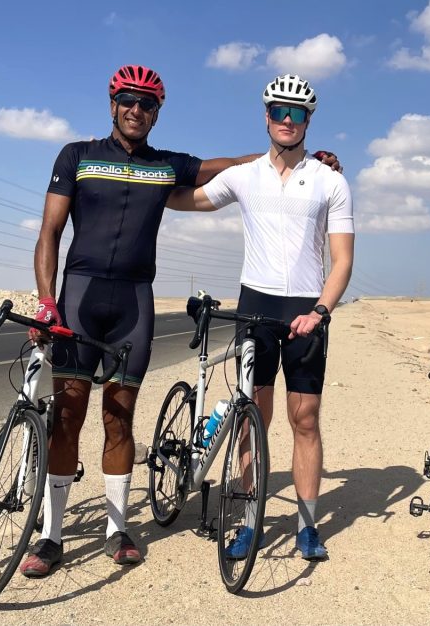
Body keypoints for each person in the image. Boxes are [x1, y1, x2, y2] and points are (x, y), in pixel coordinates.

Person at [20, 65, 340, 577]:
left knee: (119, 418)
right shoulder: (77, 155)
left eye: (147, 104)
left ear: (157, 113)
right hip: (79, 296)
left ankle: (118, 530)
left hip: (133, 304)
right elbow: (49, 232)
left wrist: (302, 158)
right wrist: (45, 301)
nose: (136, 110)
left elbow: (230, 166)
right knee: (67, 415)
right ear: (112, 104)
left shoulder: (166, 165)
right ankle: (50, 536)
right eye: (128, 100)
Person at [167, 74, 354, 562]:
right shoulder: (245, 175)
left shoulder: (331, 181)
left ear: (309, 120)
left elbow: (343, 261)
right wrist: (139, 181)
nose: (287, 120)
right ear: (266, 116)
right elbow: (186, 199)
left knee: (305, 419)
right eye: (279, 111)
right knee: (253, 419)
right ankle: (249, 521)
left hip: (307, 309)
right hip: (256, 305)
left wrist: (320, 311)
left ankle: (307, 526)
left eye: (297, 113)